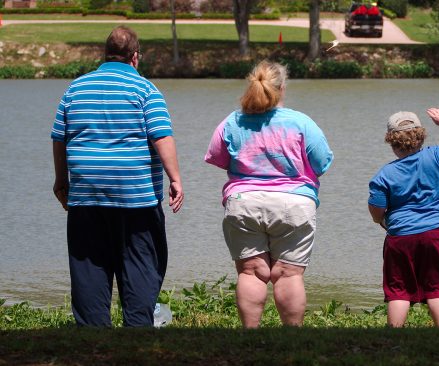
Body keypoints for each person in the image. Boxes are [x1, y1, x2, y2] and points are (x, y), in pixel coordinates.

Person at [51, 26, 184, 327]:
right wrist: (175, 178)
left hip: (86, 195)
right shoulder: (146, 90)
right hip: (136, 197)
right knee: (140, 263)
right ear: (135, 57)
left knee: (89, 265)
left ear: (105, 54)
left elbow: (59, 138)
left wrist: (61, 181)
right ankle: (138, 328)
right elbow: (161, 136)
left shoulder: (75, 89)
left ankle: (93, 332)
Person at [205, 60, 333, 328]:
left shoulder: (232, 121)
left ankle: (250, 335)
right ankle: (290, 337)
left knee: (251, 272)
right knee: (289, 275)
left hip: (244, 202)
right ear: (282, 88)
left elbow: (218, 158)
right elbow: (322, 164)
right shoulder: (300, 122)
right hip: (295, 202)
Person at [368, 108, 439, 328]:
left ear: (392, 142)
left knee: (399, 291)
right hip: (437, 235)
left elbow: (376, 210)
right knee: (438, 290)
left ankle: (394, 333)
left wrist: (384, 221)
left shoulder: (383, 175)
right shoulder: (435, 156)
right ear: (420, 136)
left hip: (400, 238)